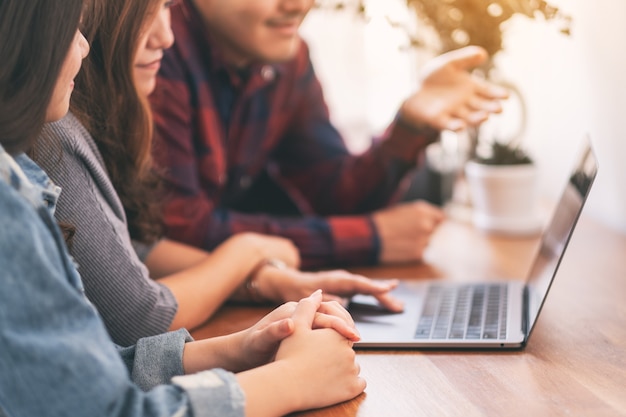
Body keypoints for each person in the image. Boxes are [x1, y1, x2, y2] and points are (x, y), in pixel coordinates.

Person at [0, 0, 365, 415]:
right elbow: (110, 389)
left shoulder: (20, 173)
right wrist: (289, 383)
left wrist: (237, 348)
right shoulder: (30, 169)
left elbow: (74, 375)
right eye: (75, 28)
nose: (84, 47)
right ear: (23, 34)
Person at [33, 0, 403, 347]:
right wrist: (248, 251)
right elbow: (140, 315)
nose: (167, 35)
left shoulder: (97, 113)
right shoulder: (57, 129)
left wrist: (264, 278)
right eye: (149, 12)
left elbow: (133, 248)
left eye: (166, 6)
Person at [149, 0, 509, 269]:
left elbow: (335, 196)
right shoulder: (155, 52)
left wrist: (411, 125)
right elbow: (178, 231)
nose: (300, 5)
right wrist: (368, 238)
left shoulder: (289, 57)